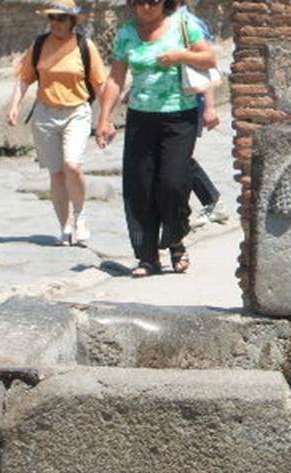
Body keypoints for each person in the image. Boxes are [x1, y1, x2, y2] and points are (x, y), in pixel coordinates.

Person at [94, 0, 216, 277]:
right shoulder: (126, 34)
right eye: (140, 1)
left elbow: (209, 59)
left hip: (179, 116)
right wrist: (104, 118)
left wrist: (179, 56)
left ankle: (175, 240)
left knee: (173, 182)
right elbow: (115, 78)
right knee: (140, 187)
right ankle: (148, 258)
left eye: (153, 1)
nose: (146, 7)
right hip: (140, 117)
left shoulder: (184, 26)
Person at [7, 0, 107, 246]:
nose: (55, 23)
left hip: (76, 112)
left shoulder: (84, 46)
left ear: (72, 21)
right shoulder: (40, 45)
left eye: (61, 18)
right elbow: (24, 77)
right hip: (45, 114)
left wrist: (106, 119)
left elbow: (100, 84)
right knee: (57, 174)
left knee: (72, 165)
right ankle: (65, 227)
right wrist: (14, 105)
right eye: (52, 18)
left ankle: (80, 215)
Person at [178, 0, 229, 230]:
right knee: (176, 157)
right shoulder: (161, 24)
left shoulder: (190, 24)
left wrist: (209, 107)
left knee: (178, 157)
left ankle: (212, 202)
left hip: (189, 102)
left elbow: (205, 66)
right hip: (170, 103)